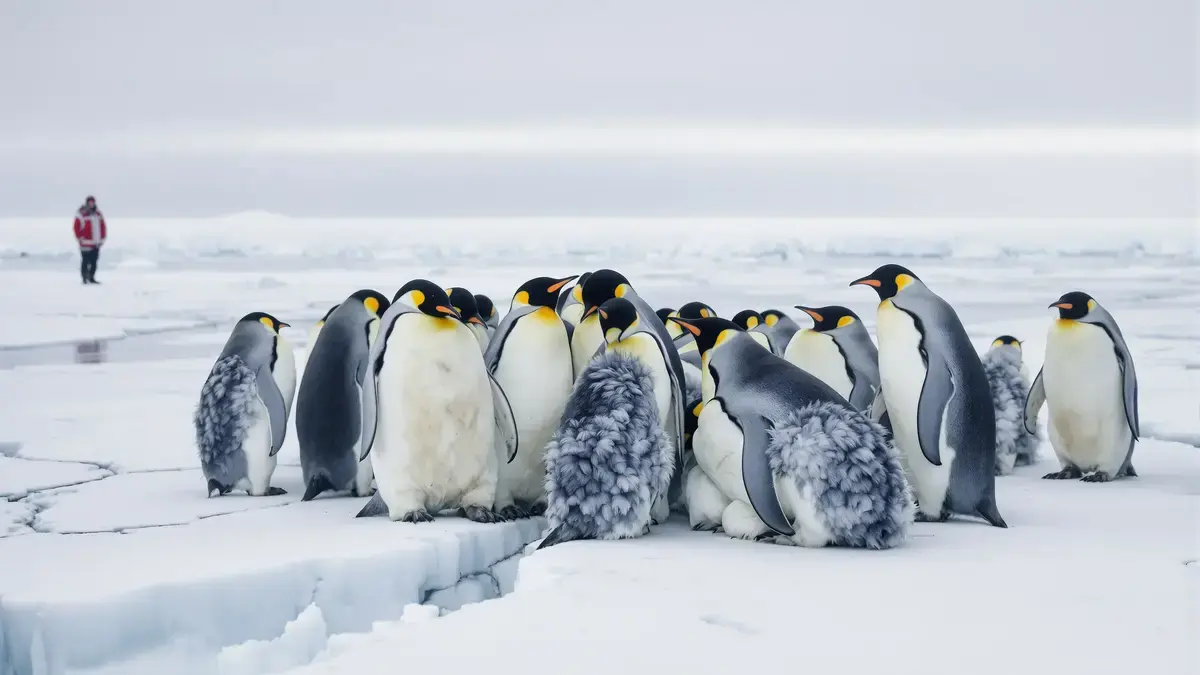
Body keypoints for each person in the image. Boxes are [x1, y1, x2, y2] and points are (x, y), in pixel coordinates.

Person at [73, 195, 107, 284]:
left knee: (94, 262)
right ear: (87, 203)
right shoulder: (81, 213)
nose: (91, 204)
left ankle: (91, 277)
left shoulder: (98, 214)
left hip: (96, 243)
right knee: (85, 261)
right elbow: (76, 227)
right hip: (85, 243)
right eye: (90, 202)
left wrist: (102, 238)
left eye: (93, 202)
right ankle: (84, 277)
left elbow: (103, 226)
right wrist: (79, 237)